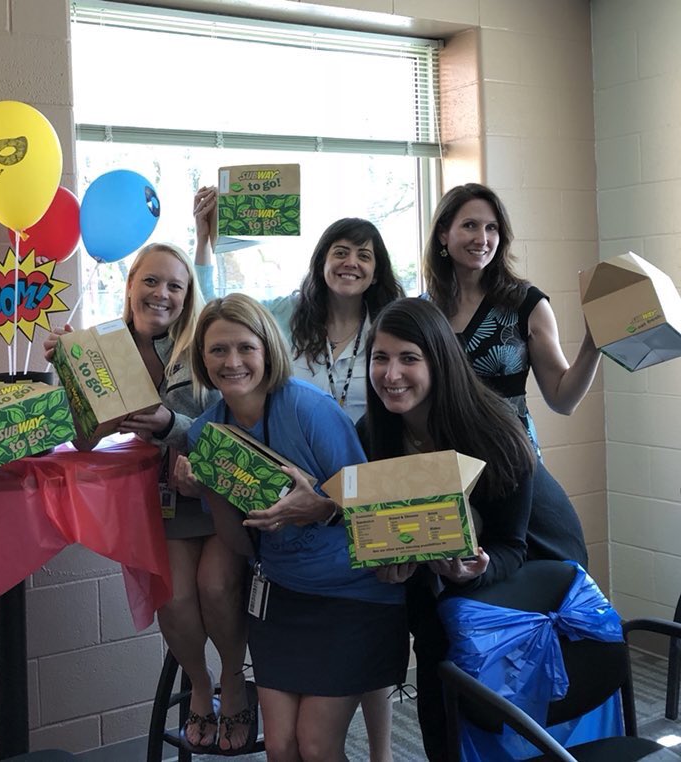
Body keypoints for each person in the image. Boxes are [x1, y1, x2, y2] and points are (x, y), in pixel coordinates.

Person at [194, 189, 406, 753]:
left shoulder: (317, 400)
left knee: (315, 744)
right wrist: (214, 485)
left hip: (356, 553)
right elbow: (222, 308)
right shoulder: (210, 430)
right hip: (283, 587)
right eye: (218, 353)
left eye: (365, 255)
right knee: (284, 747)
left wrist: (325, 506)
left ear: (267, 351)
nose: (232, 361)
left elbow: (369, 503)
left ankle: (384, 750)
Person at [360, 297, 589, 761]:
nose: (391, 374)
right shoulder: (374, 432)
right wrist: (392, 567)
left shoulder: (493, 430)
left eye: (409, 358)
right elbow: (397, 532)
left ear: (439, 361)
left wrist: (477, 570)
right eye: (380, 358)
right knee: (440, 701)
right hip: (449, 583)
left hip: (532, 577)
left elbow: (511, 545)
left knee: (505, 727)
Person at [43, 243, 248, 752]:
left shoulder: (204, 345)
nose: (161, 294)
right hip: (165, 502)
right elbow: (84, 438)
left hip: (219, 493)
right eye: (151, 281)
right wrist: (69, 373)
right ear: (130, 284)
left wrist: (170, 425)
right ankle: (201, 684)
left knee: (216, 587)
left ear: (187, 295)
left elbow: (234, 415)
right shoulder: (101, 347)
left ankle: (235, 682)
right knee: (175, 599)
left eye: (175, 286)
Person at [193, 185, 405, 425]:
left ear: (376, 273)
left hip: (371, 456)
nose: (351, 263)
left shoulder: (389, 328)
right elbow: (215, 313)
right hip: (295, 455)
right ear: (321, 263)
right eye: (341, 253)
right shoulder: (287, 312)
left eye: (364, 256)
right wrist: (203, 240)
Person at [423, 182, 601, 455]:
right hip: (442, 461)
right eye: (470, 225)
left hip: (511, 459)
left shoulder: (527, 304)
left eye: (491, 227)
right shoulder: (423, 310)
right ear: (443, 234)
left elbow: (563, 401)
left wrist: (593, 342)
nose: (482, 238)